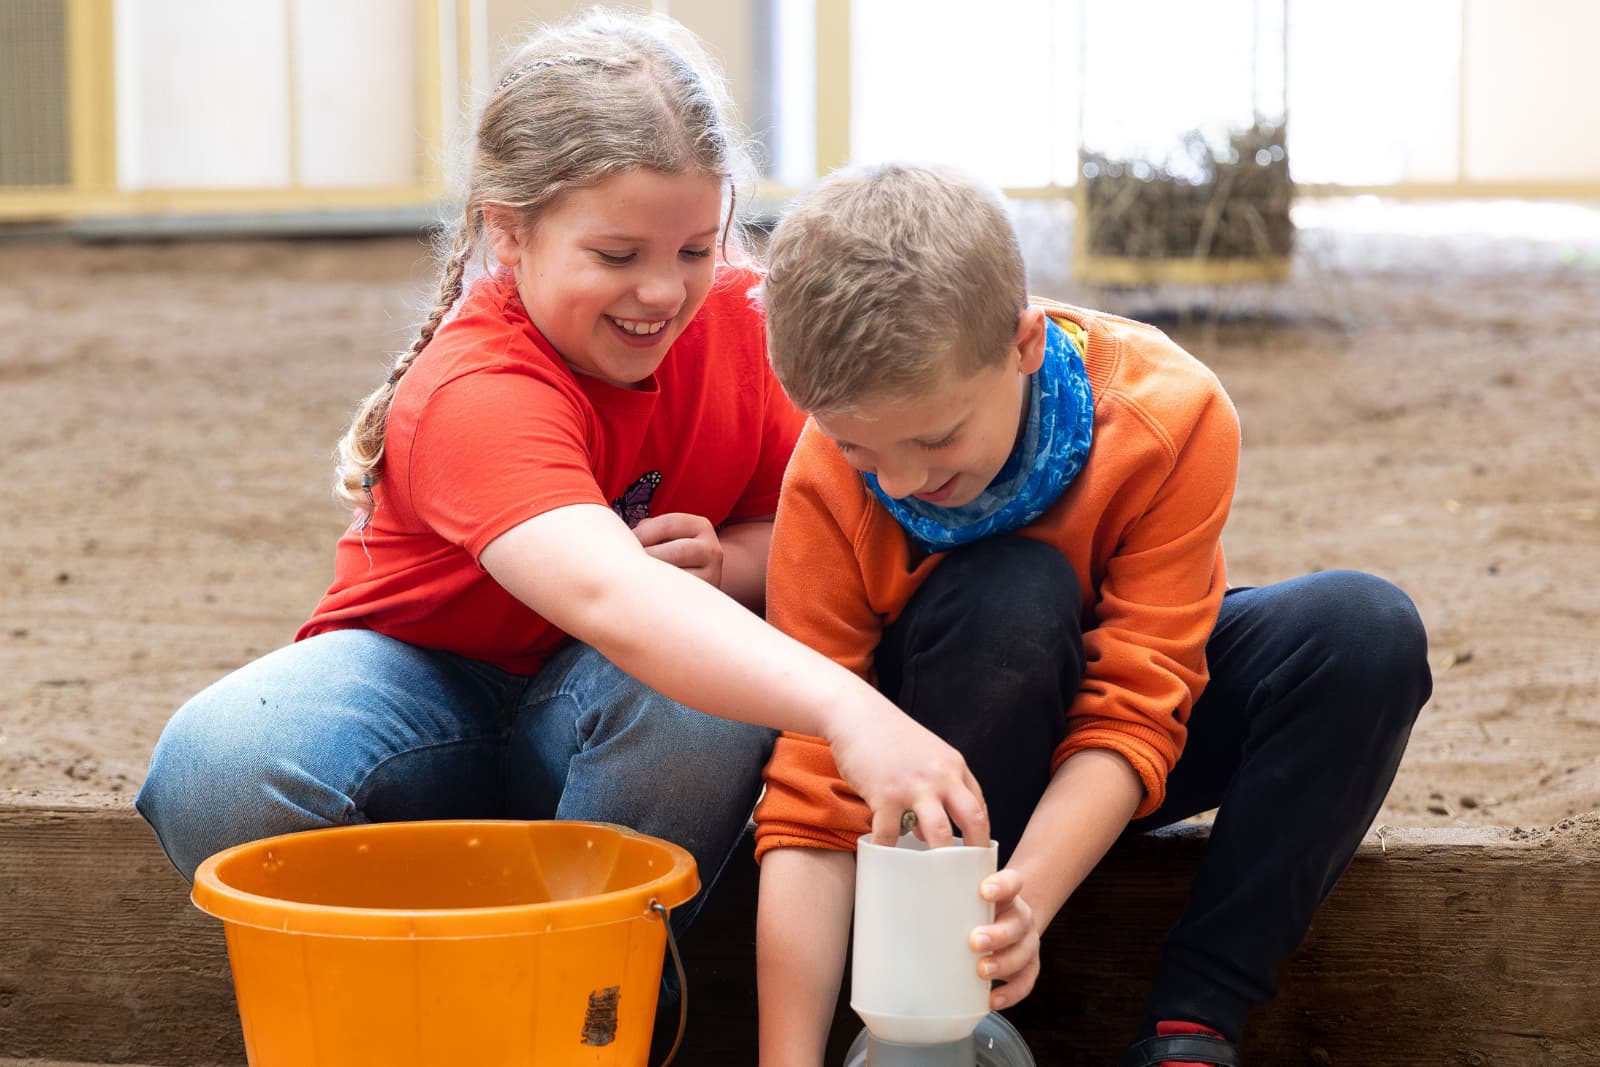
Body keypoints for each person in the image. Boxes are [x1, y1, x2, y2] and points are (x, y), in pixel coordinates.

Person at [135, 10, 987, 954]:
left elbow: (841, 510)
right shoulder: (475, 383)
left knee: (692, 689)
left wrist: (735, 563)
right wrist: (849, 710)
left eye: (695, 249)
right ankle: (413, 964)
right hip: (427, 699)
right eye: (617, 256)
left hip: (621, 723)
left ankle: (596, 990)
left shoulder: (752, 322)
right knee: (222, 762)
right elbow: (608, 593)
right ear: (510, 230)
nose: (663, 292)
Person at [751, 163, 1432, 1067]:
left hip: (1112, 749)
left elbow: (1136, 699)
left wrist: (1024, 899)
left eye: (938, 437)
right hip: (937, 786)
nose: (904, 480)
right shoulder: (828, 475)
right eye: (858, 446)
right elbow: (813, 786)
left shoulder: (1171, 411)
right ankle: (949, 1025)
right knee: (1010, 591)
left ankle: (1192, 1028)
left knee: (1364, 632)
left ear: (1025, 342)